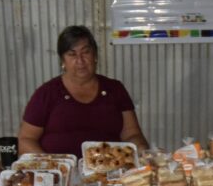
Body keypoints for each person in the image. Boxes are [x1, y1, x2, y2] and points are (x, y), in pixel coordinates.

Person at [18, 25, 149, 158]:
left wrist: (143, 152)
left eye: (85, 52)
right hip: (61, 174)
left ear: (95, 56)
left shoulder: (115, 89)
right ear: (63, 61)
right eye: (72, 54)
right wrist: (51, 166)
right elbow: (26, 140)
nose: (80, 61)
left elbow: (132, 134)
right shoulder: (46, 93)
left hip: (110, 172)